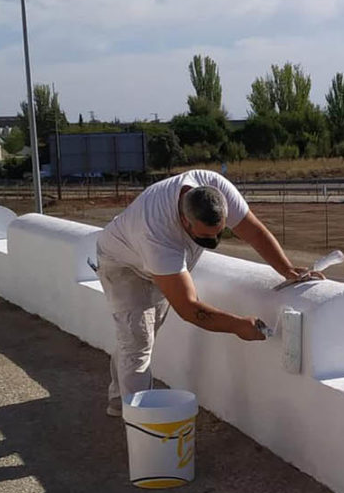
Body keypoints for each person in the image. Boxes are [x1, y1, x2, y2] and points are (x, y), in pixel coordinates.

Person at [95, 169, 317, 417]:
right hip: (122, 265)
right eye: (204, 237)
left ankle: (119, 395)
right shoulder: (157, 233)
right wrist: (238, 325)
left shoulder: (215, 188)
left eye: (219, 233)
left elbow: (254, 231)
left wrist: (286, 269)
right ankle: (137, 424)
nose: (213, 241)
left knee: (137, 334)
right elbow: (189, 308)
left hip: (153, 263)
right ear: (184, 220)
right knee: (138, 341)